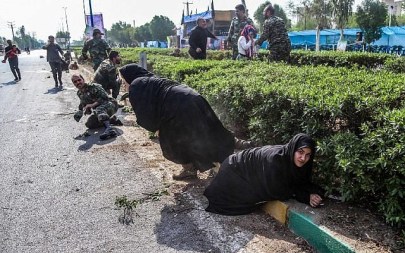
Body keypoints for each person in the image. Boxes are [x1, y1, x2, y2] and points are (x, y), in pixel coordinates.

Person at [118, 64, 236, 180]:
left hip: (178, 106)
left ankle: (190, 169)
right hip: (193, 97)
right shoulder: (150, 79)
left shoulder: (136, 84)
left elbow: (145, 114)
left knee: (172, 140)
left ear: (129, 76)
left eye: (123, 81)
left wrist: (157, 128)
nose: (123, 84)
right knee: (204, 132)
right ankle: (225, 164)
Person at [204, 133, 325, 215]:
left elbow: (299, 181)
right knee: (245, 198)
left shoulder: (294, 160)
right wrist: (305, 196)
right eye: (300, 152)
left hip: (243, 170)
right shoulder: (276, 160)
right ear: (293, 149)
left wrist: (313, 192)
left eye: (308, 155)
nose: (303, 158)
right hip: (234, 170)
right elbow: (277, 190)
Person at [72, 74, 120, 140]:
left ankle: (109, 129)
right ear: (73, 84)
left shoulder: (94, 86)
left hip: (111, 104)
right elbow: (83, 104)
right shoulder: (79, 93)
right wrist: (83, 111)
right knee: (90, 124)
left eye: (79, 80)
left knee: (98, 109)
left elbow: (105, 97)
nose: (78, 82)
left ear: (83, 79)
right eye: (75, 82)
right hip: (99, 111)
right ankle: (111, 119)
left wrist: (92, 105)